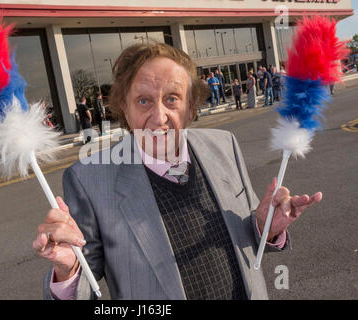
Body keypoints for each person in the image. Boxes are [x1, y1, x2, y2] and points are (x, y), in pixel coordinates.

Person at [33, 43, 322, 300]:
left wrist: (264, 228)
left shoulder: (224, 145)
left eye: (172, 98)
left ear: (191, 104)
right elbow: (86, 287)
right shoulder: (88, 179)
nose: (159, 117)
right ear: (124, 106)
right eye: (143, 101)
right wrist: (68, 269)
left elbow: (245, 236)